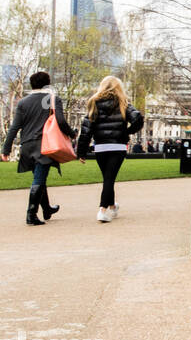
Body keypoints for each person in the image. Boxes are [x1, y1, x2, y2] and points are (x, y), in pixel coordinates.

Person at [1, 71, 75, 226]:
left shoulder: (23, 102)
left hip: (27, 145)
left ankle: (47, 208)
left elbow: (14, 127)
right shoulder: (51, 99)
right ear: (47, 84)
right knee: (39, 179)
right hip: (44, 145)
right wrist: (71, 133)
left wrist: (5, 149)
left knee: (39, 178)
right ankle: (31, 214)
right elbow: (60, 121)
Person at [76, 76, 145, 223]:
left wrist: (81, 151)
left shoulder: (93, 102)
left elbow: (86, 129)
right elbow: (138, 119)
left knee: (108, 177)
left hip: (100, 146)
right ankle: (102, 209)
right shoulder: (123, 103)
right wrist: (127, 131)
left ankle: (113, 207)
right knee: (109, 178)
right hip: (117, 146)